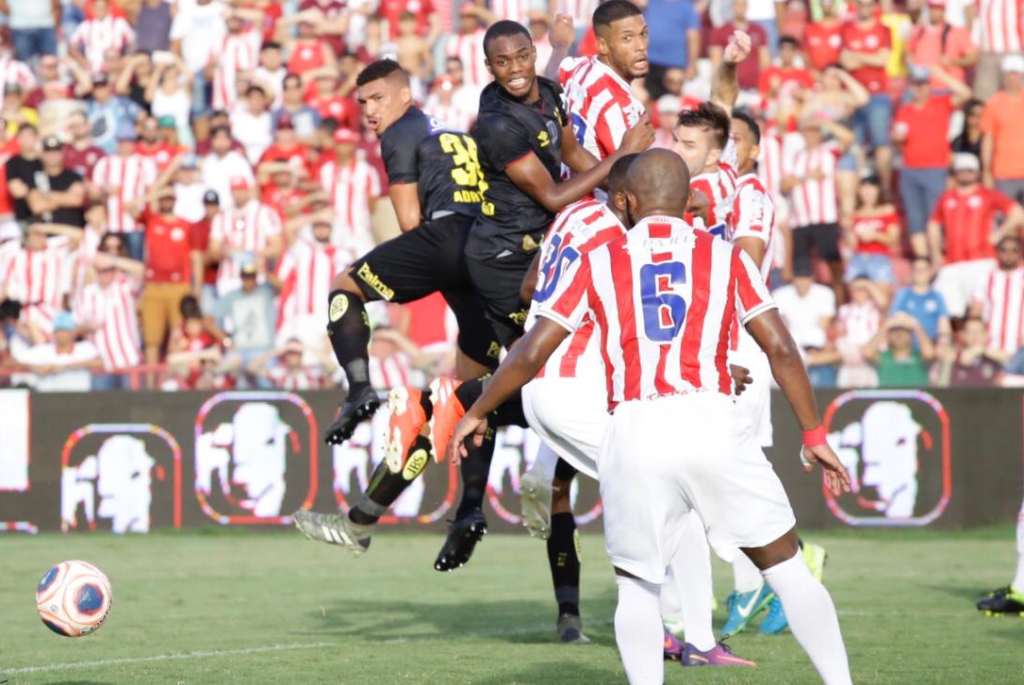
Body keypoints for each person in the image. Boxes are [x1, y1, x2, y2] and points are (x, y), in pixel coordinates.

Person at [447, 148, 853, 685]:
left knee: (637, 588)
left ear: (627, 201)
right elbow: (780, 348)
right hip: (711, 418)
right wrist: (814, 433)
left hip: (635, 428)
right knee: (786, 569)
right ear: (689, 202)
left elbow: (532, 350)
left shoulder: (600, 259)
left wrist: (478, 410)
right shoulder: (726, 256)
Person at [928, 153, 1024, 317]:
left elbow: (1018, 214)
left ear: (977, 173)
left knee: (983, 311)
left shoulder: (988, 195)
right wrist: (936, 253)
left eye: (970, 170)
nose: (966, 174)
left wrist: (999, 233)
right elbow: (933, 224)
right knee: (948, 312)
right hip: (952, 262)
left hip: (982, 260)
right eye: (962, 170)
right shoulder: (946, 198)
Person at [892, 64, 972, 257]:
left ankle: (937, 256)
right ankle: (922, 258)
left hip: (935, 168)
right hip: (910, 169)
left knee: (935, 215)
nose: (919, 89)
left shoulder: (940, 103)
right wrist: (897, 138)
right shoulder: (905, 110)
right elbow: (898, 139)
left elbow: (965, 93)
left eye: (923, 84)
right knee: (915, 217)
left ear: (929, 86)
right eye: (915, 84)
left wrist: (941, 75)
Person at [781, 115, 854, 301]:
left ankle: (840, 303)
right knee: (802, 268)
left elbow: (848, 138)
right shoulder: (796, 157)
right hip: (800, 221)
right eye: (808, 131)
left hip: (825, 218)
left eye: (815, 131)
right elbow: (784, 185)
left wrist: (824, 122)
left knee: (835, 266)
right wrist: (806, 177)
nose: (811, 135)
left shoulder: (828, 152)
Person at [841, 0, 893, 191]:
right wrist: (870, 57)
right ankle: (858, 191)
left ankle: (886, 189)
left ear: (875, 6)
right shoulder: (848, 29)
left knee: (881, 143)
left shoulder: (883, 30)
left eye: (869, 4)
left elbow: (883, 60)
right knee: (858, 146)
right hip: (853, 95)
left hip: (877, 93)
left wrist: (858, 56)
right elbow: (846, 61)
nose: (866, 7)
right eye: (862, 4)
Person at [74, 251, 144, 390]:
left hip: (128, 358)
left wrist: (113, 260)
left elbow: (140, 270)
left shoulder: (123, 286)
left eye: (109, 270)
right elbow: (75, 325)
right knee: (101, 403)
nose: (105, 274)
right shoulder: (86, 293)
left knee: (132, 402)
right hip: (101, 363)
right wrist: (86, 326)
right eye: (101, 271)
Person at [12, 310, 102, 391]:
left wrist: (65, 367)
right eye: (59, 330)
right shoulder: (43, 350)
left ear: (72, 332)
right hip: (48, 399)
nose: (62, 334)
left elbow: (103, 362)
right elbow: (10, 362)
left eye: (66, 330)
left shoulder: (85, 348)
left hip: (79, 399)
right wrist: (33, 367)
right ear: (54, 333)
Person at [968, 235, 1024, 363]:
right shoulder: (986, 279)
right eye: (1004, 250)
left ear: (1021, 253)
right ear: (997, 252)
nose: (1009, 255)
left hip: (1021, 349)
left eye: (1014, 250)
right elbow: (976, 312)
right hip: (992, 349)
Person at [981, 56, 1024, 205]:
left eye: (1016, 73)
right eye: (1010, 73)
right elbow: (988, 139)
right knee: (1004, 215)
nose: (1013, 78)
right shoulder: (993, 103)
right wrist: (986, 171)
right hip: (1003, 172)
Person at [846, 175, 899, 288]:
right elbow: (851, 243)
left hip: (879, 257)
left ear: (878, 190)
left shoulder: (887, 210)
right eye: (864, 188)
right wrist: (849, 232)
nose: (867, 192)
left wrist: (875, 236)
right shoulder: (855, 214)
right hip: (858, 257)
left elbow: (893, 239)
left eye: (871, 188)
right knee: (854, 291)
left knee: (881, 293)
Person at [861, 312, 935, 387]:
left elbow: (930, 354)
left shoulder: (918, 357)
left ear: (910, 334)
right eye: (894, 330)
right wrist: (886, 326)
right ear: (888, 335)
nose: (899, 334)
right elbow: (867, 353)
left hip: (916, 394)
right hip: (889, 394)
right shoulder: (883, 357)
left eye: (904, 330)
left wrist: (916, 325)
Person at [890, 257, 952, 344]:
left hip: (931, 345)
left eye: (923, 270)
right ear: (912, 272)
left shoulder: (937, 296)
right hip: (907, 346)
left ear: (929, 272)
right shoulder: (903, 294)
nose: (920, 273)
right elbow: (896, 318)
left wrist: (943, 342)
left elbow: (943, 324)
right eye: (917, 270)